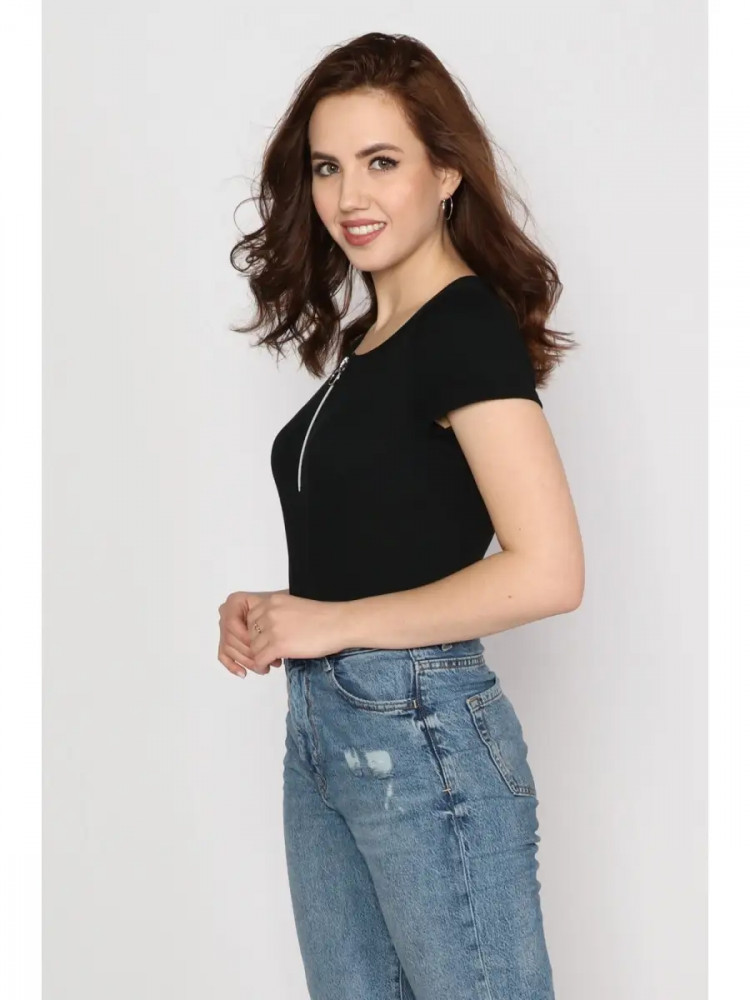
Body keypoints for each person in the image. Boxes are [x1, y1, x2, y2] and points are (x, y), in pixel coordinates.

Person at [218, 31, 584, 1000]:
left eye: (382, 161)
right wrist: (279, 612)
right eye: (327, 166)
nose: (350, 195)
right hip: (328, 729)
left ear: (447, 172)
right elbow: (386, 532)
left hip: (420, 733)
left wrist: (333, 622)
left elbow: (550, 569)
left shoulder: (463, 327)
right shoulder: (375, 339)